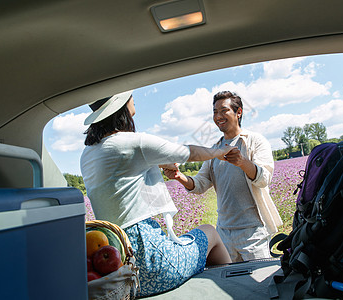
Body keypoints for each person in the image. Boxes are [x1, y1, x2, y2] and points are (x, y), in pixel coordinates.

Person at [80, 90, 232, 297]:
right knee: (210, 232)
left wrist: (161, 163)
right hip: (152, 262)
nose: (133, 98)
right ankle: (235, 288)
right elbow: (189, 152)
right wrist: (220, 152)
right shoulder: (132, 142)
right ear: (121, 105)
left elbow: (121, 169)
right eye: (130, 95)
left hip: (121, 266)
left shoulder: (87, 154)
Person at [164, 91, 283, 262]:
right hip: (224, 233)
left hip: (254, 232)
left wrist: (242, 162)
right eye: (214, 112)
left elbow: (264, 178)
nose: (218, 116)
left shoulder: (255, 141)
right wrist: (178, 176)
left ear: (238, 112)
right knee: (230, 285)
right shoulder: (214, 150)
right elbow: (200, 184)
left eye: (223, 110)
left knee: (260, 284)